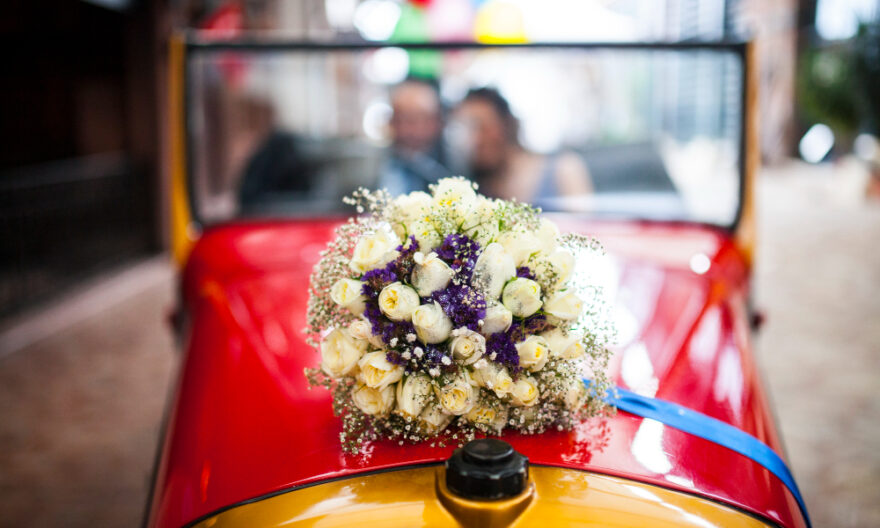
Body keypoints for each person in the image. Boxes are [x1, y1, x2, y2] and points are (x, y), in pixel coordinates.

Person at [451, 87, 591, 207]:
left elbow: (587, 230)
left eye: (483, 127)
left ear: (507, 124)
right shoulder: (475, 189)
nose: (475, 139)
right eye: (465, 130)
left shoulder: (563, 169)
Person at [378, 78, 451, 195]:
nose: (407, 130)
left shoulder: (452, 167)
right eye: (400, 119)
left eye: (416, 120)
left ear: (436, 122)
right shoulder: (373, 166)